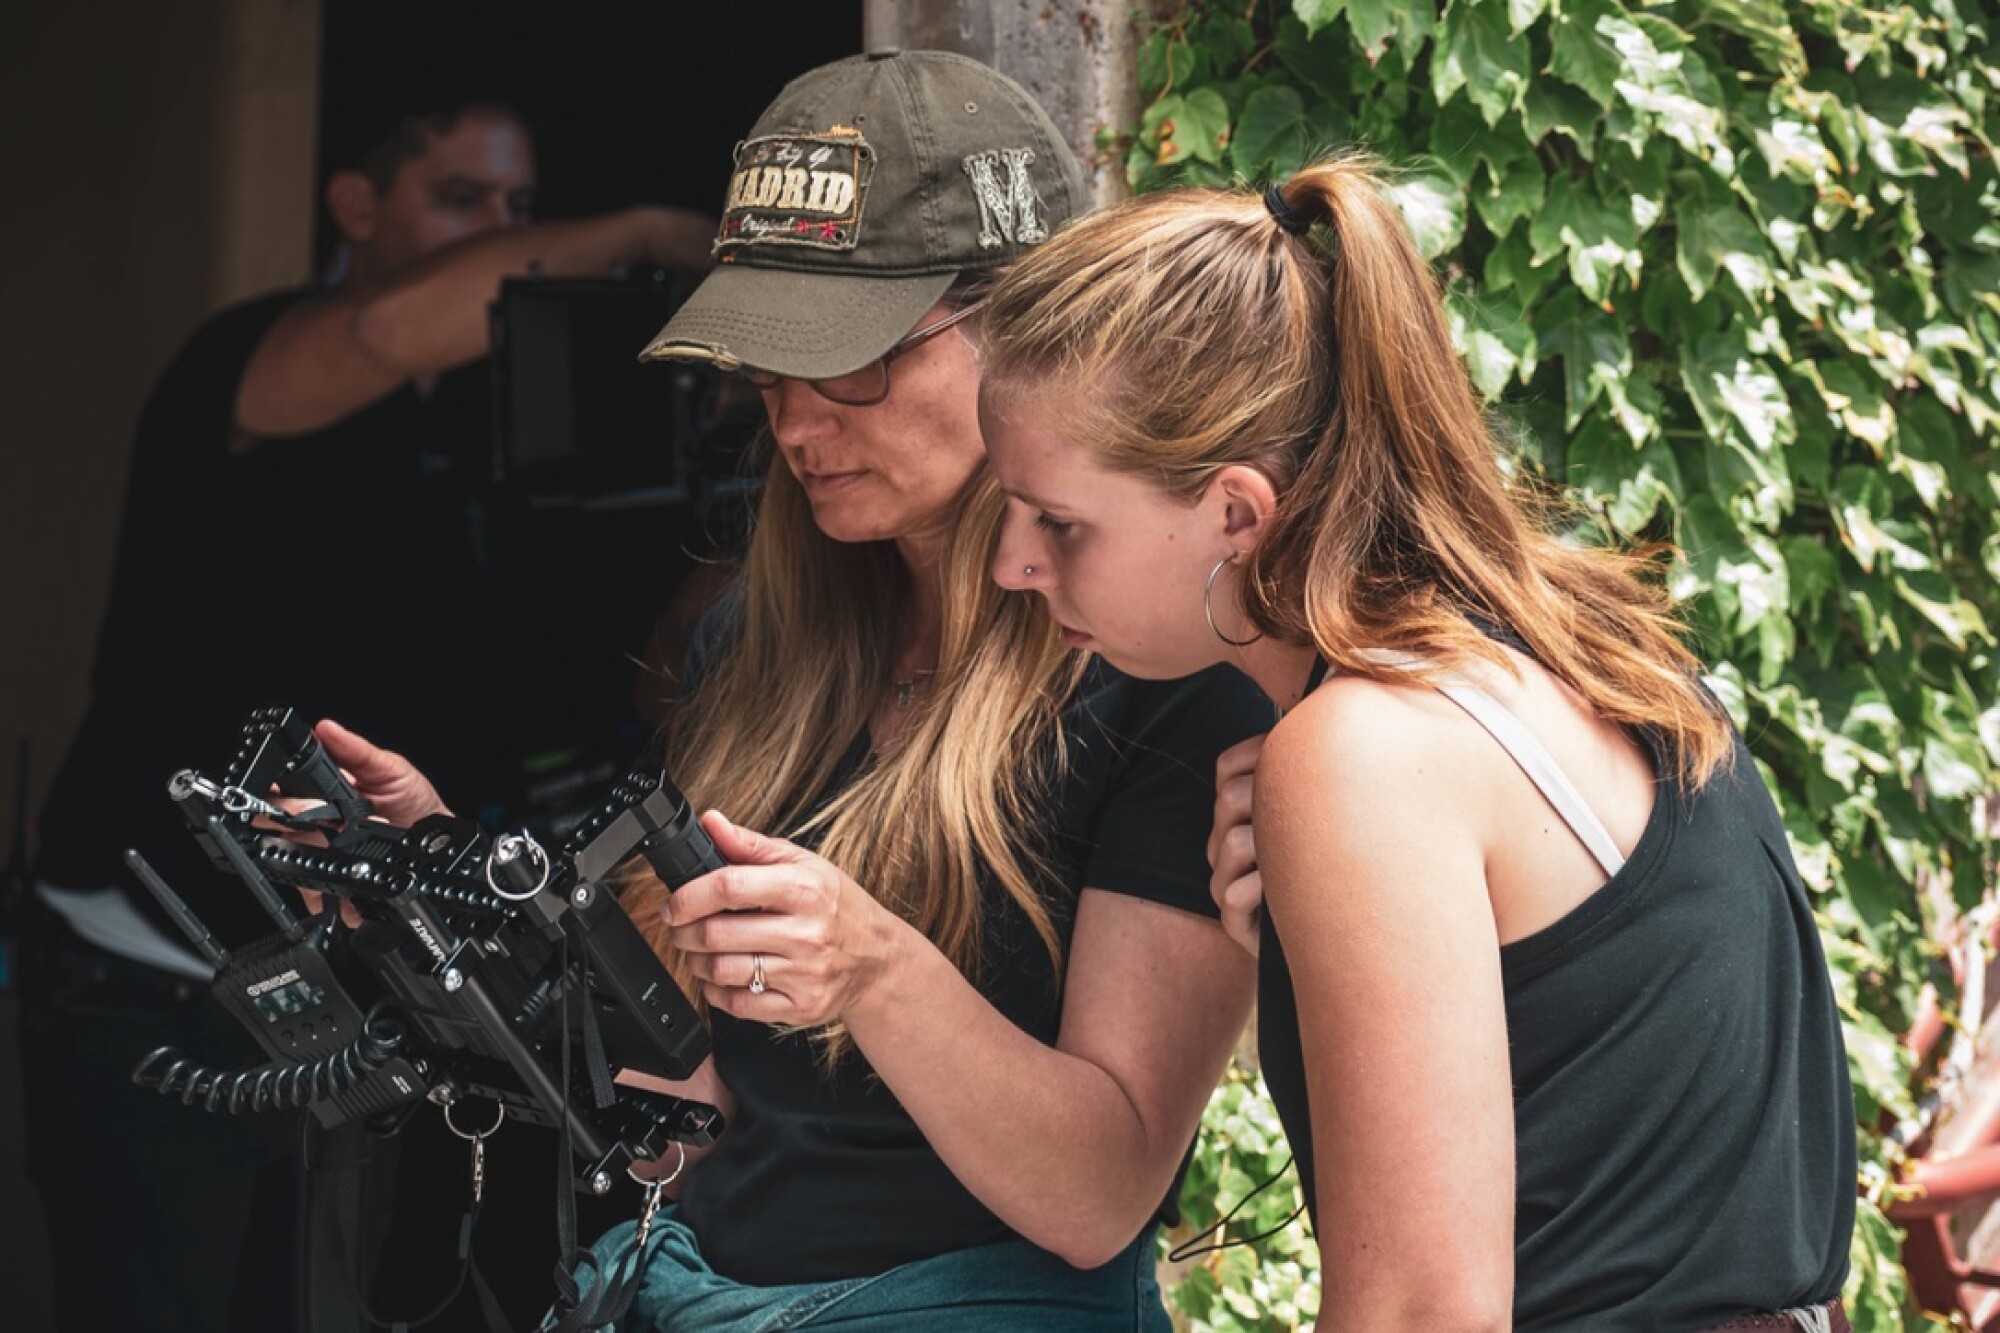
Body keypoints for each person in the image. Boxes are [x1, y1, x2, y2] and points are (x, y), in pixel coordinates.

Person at [320, 50, 1269, 1331]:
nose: (797, 425)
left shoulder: (1165, 682)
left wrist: (876, 968)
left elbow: (1101, 1193)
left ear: (1027, 329)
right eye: (765, 372)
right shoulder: (759, 650)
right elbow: (692, 1122)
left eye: (849, 364)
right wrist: (441, 901)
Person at [974, 156, 1857, 1329]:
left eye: (1059, 522)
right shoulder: (1561, 651)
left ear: (1236, 515)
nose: (1012, 564)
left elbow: (1417, 1311)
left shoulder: (1365, 750)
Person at [20, 92, 711, 1332]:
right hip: (155, 968)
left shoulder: (480, 419)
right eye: (462, 200)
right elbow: (393, 321)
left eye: (516, 210)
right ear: (356, 205)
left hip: (361, 989)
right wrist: (656, 229)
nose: (500, 233)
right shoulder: (251, 356)